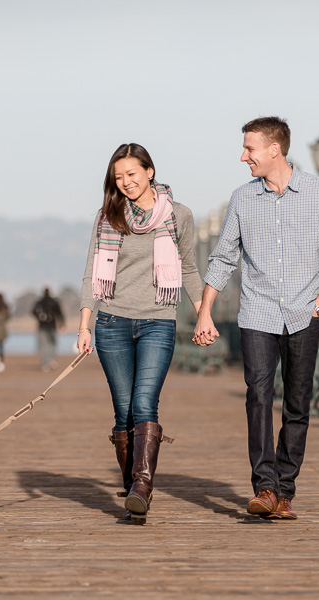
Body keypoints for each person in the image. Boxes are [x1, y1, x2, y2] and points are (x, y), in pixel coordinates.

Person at [194, 117, 319, 521]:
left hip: (305, 315)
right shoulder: (243, 199)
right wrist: (205, 311)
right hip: (258, 313)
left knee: (297, 404)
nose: (243, 156)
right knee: (259, 397)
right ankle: (264, 487)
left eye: (250, 149)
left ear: (274, 149)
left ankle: (285, 490)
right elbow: (224, 257)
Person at [77, 143, 203, 524]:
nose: (126, 183)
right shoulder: (107, 217)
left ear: (150, 171)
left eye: (132, 174)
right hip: (112, 323)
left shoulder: (179, 216)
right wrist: (84, 326)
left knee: (145, 404)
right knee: (123, 412)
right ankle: (132, 483)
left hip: (157, 322)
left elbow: (190, 270)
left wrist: (205, 314)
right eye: (118, 177)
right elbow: (90, 274)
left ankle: (142, 488)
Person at [33, 287, 65, 372]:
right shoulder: (53, 302)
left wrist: (38, 318)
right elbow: (60, 314)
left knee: (43, 345)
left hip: (42, 327)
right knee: (53, 344)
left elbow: (33, 311)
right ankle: (51, 358)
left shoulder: (39, 302)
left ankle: (45, 363)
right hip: (52, 326)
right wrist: (62, 324)